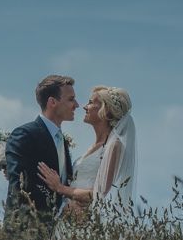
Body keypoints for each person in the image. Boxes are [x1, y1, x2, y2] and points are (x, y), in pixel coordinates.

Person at [38, 86, 136, 215]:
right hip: (68, 215)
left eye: (90, 102)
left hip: (84, 220)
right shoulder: (92, 147)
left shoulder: (114, 146)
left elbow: (98, 194)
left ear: (105, 110)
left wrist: (60, 188)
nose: (84, 107)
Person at [4, 75, 78, 229]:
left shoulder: (62, 141)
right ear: (52, 102)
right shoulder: (24, 134)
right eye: (71, 99)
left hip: (56, 234)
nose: (76, 105)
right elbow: (18, 187)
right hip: (27, 232)